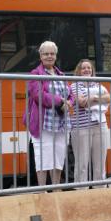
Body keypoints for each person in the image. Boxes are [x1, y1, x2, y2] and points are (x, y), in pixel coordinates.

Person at [23, 41, 74, 186]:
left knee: (58, 156)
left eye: (52, 53)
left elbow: (70, 94)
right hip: (43, 122)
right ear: (40, 56)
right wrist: (60, 101)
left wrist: (69, 102)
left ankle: (56, 188)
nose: (49, 56)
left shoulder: (60, 74)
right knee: (42, 157)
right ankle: (42, 190)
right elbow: (38, 95)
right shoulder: (35, 74)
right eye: (46, 54)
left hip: (61, 122)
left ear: (56, 56)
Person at [71, 59, 110, 186]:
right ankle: (80, 190)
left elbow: (109, 98)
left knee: (100, 161)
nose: (87, 70)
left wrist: (93, 98)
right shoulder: (74, 86)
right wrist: (99, 99)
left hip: (100, 126)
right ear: (79, 71)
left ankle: (100, 188)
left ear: (92, 70)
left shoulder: (98, 85)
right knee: (82, 162)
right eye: (83, 68)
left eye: (89, 68)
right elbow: (82, 102)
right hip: (81, 128)